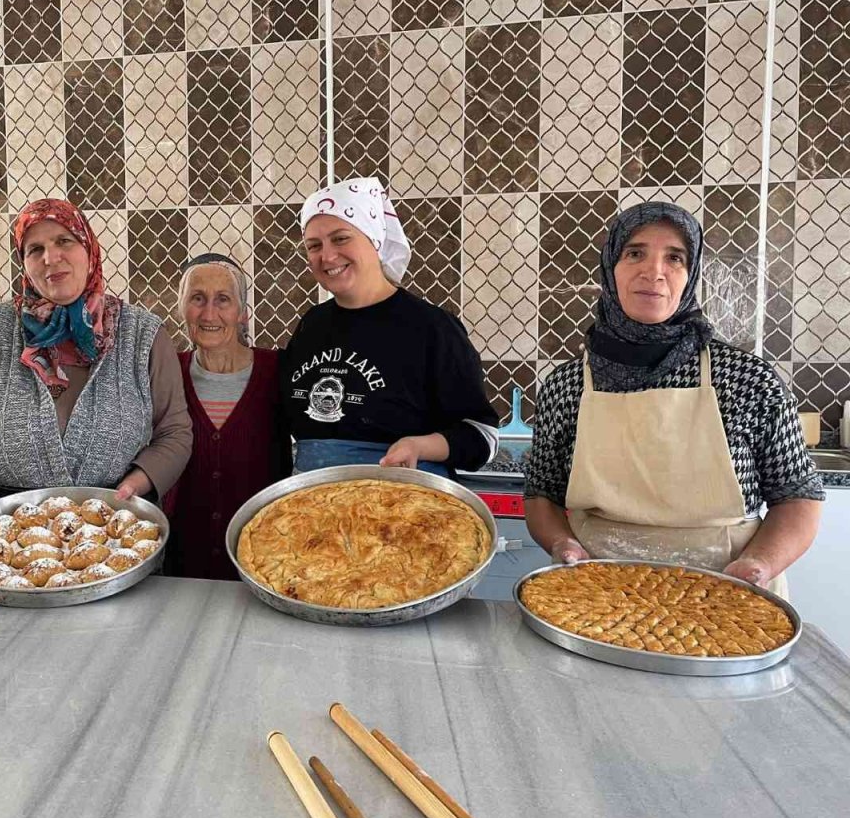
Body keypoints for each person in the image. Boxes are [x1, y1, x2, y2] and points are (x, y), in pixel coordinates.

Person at [523, 202, 823, 596]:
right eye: (635, 253)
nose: (654, 272)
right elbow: (541, 493)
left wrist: (758, 564)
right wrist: (562, 544)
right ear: (611, 266)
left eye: (675, 258)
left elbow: (797, 494)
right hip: (593, 586)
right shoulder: (567, 384)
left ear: (691, 273)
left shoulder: (748, 379)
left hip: (727, 592)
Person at [0, 199, 192, 519]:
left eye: (64, 241)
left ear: (89, 249)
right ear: (24, 262)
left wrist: (134, 486)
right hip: (5, 534)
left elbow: (175, 432)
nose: (50, 258)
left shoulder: (144, 334)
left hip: (114, 528)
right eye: (35, 249)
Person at [281, 177, 498, 475]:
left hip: (406, 509)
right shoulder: (312, 326)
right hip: (315, 507)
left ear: (374, 239)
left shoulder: (431, 328)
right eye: (313, 245)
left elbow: (482, 436)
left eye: (341, 238)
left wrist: (418, 447)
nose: (327, 256)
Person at [165, 253, 290, 579]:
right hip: (183, 566)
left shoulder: (278, 371)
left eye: (223, 299)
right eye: (197, 299)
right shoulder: (167, 372)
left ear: (242, 313)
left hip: (265, 564)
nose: (209, 312)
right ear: (182, 308)